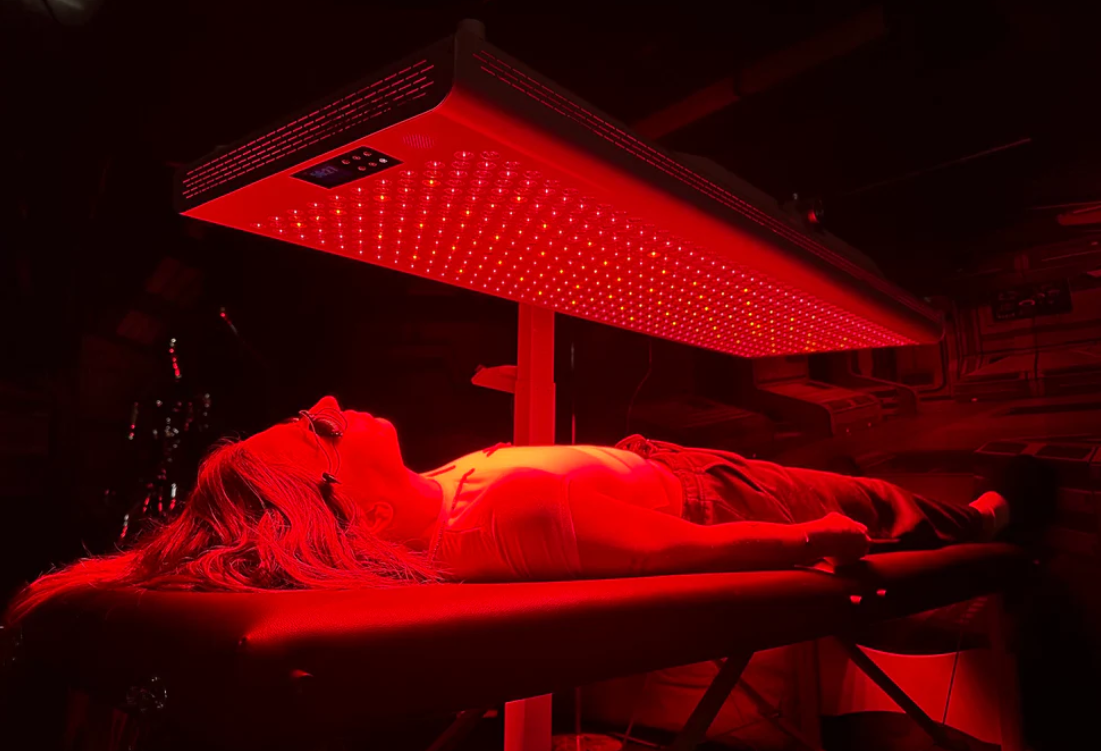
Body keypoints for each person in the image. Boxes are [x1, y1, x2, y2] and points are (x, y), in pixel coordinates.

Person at [5, 395, 1045, 624]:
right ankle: (984, 524)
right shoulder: (509, 525)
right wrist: (798, 539)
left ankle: (962, 514)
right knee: (869, 500)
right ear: (349, 510)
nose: (327, 401)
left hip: (655, 462)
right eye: (319, 430)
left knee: (864, 487)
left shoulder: (439, 508)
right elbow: (676, 556)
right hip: (707, 491)